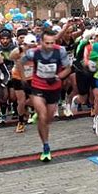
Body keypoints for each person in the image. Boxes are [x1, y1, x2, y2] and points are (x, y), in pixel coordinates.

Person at [20, 29, 71, 161]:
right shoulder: (33, 52)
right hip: (38, 86)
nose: (49, 46)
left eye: (52, 43)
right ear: (41, 42)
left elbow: (68, 68)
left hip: (54, 88)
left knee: (48, 120)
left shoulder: (60, 51)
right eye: (47, 43)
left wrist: (58, 77)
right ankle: (46, 146)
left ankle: (40, 115)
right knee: (43, 117)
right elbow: (20, 62)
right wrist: (24, 78)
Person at [10, 33, 37, 133]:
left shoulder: (36, 51)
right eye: (29, 47)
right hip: (18, 78)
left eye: (33, 47)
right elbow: (11, 58)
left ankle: (25, 109)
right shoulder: (18, 51)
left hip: (31, 77)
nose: (31, 49)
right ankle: (21, 122)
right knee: (20, 101)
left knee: (35, 100)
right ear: (25, 44)